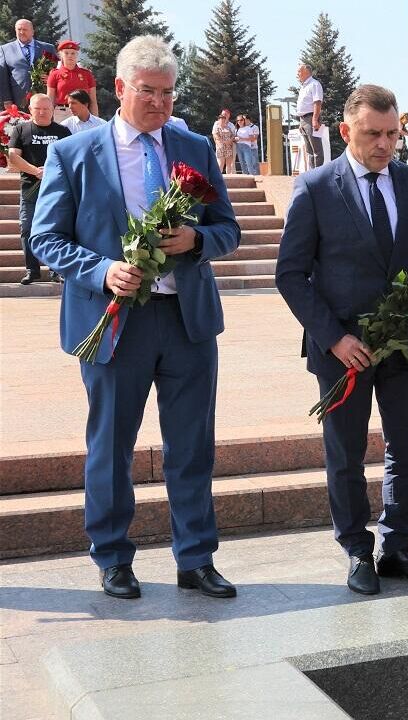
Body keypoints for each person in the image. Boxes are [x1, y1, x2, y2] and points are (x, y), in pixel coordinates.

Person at [30, 36, 241, 600]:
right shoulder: (73, 155)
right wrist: (101, 272)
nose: (160, 103)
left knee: (192, 445)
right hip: (114, 321)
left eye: (169, 93)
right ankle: (113, 558)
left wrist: (198, 238)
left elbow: (229, 228)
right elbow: (45, 239)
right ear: (121, 88)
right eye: (148, 91)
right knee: (112, 444)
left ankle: (195, 558)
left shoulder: (194, 147)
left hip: (186, 321)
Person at [276, 84, 408, 596]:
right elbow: (290, 274)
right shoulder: (314, 187)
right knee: (346, 453)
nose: (385, 144)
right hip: (342, 350)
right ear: (346, 130)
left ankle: (397, 545)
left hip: (405, 343)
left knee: (407, 448)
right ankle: (357, 550)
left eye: (393, 133)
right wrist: (332, 339)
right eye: (374, 134)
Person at [7, 93, 69, 284]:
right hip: (30, 190)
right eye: (38, 109)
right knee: (27, 229)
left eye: (46, 109)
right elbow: (13, 156)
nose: (42, 112)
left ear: (52, 110)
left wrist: (50, 171)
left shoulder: (62, 132)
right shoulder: (20, 130)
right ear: (30, 110)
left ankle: (55, 269)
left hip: (56, 190)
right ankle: (32, 270)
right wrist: (35, 171)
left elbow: (70, 157)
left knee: (56, 230)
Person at [0, 19, 55, 111]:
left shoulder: (48, 48)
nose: (21, 32)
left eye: (25, 29)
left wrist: (51, 77)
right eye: (19, 29)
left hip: (45, 98)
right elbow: (3, 77)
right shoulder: (4, 49)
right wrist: (7, 100)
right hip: (19, 99)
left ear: (32, 31)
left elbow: (57, 70)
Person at [45, 39, 96, 123]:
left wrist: (95, 120)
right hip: (62, 113)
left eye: (73, 53)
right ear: (61, 55)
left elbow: (93, 101)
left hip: (83, 113)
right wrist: (48, 121)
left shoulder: (87, 74)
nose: (70, 56)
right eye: (66, 53)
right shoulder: (55, 74)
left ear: (77, 55)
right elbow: (50, 100)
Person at [295, 63, 324, 170]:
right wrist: (301, 122)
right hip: (303, 120)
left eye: (299, 71)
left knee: (317, 149)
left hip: (312, 119)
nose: (297, 74)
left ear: (306, 71)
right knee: (309, 150)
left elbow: (317, 102)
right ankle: (312, 173)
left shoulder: (314, 84)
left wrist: (315, 120)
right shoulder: (303, 87)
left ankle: (318, 174)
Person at [211, 108, 236, 174]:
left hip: (229, 147)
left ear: (228, 115)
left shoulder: (230, 126)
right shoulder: (216, 125)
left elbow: (233, 135)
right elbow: (214, 134)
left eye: (224, 116)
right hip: (220, 147)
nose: (223, 118)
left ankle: (229, 179)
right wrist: (220, 143)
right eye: (222, 116)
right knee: (220, 164)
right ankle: (218, 179)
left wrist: (230, 141)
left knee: (229, 164)